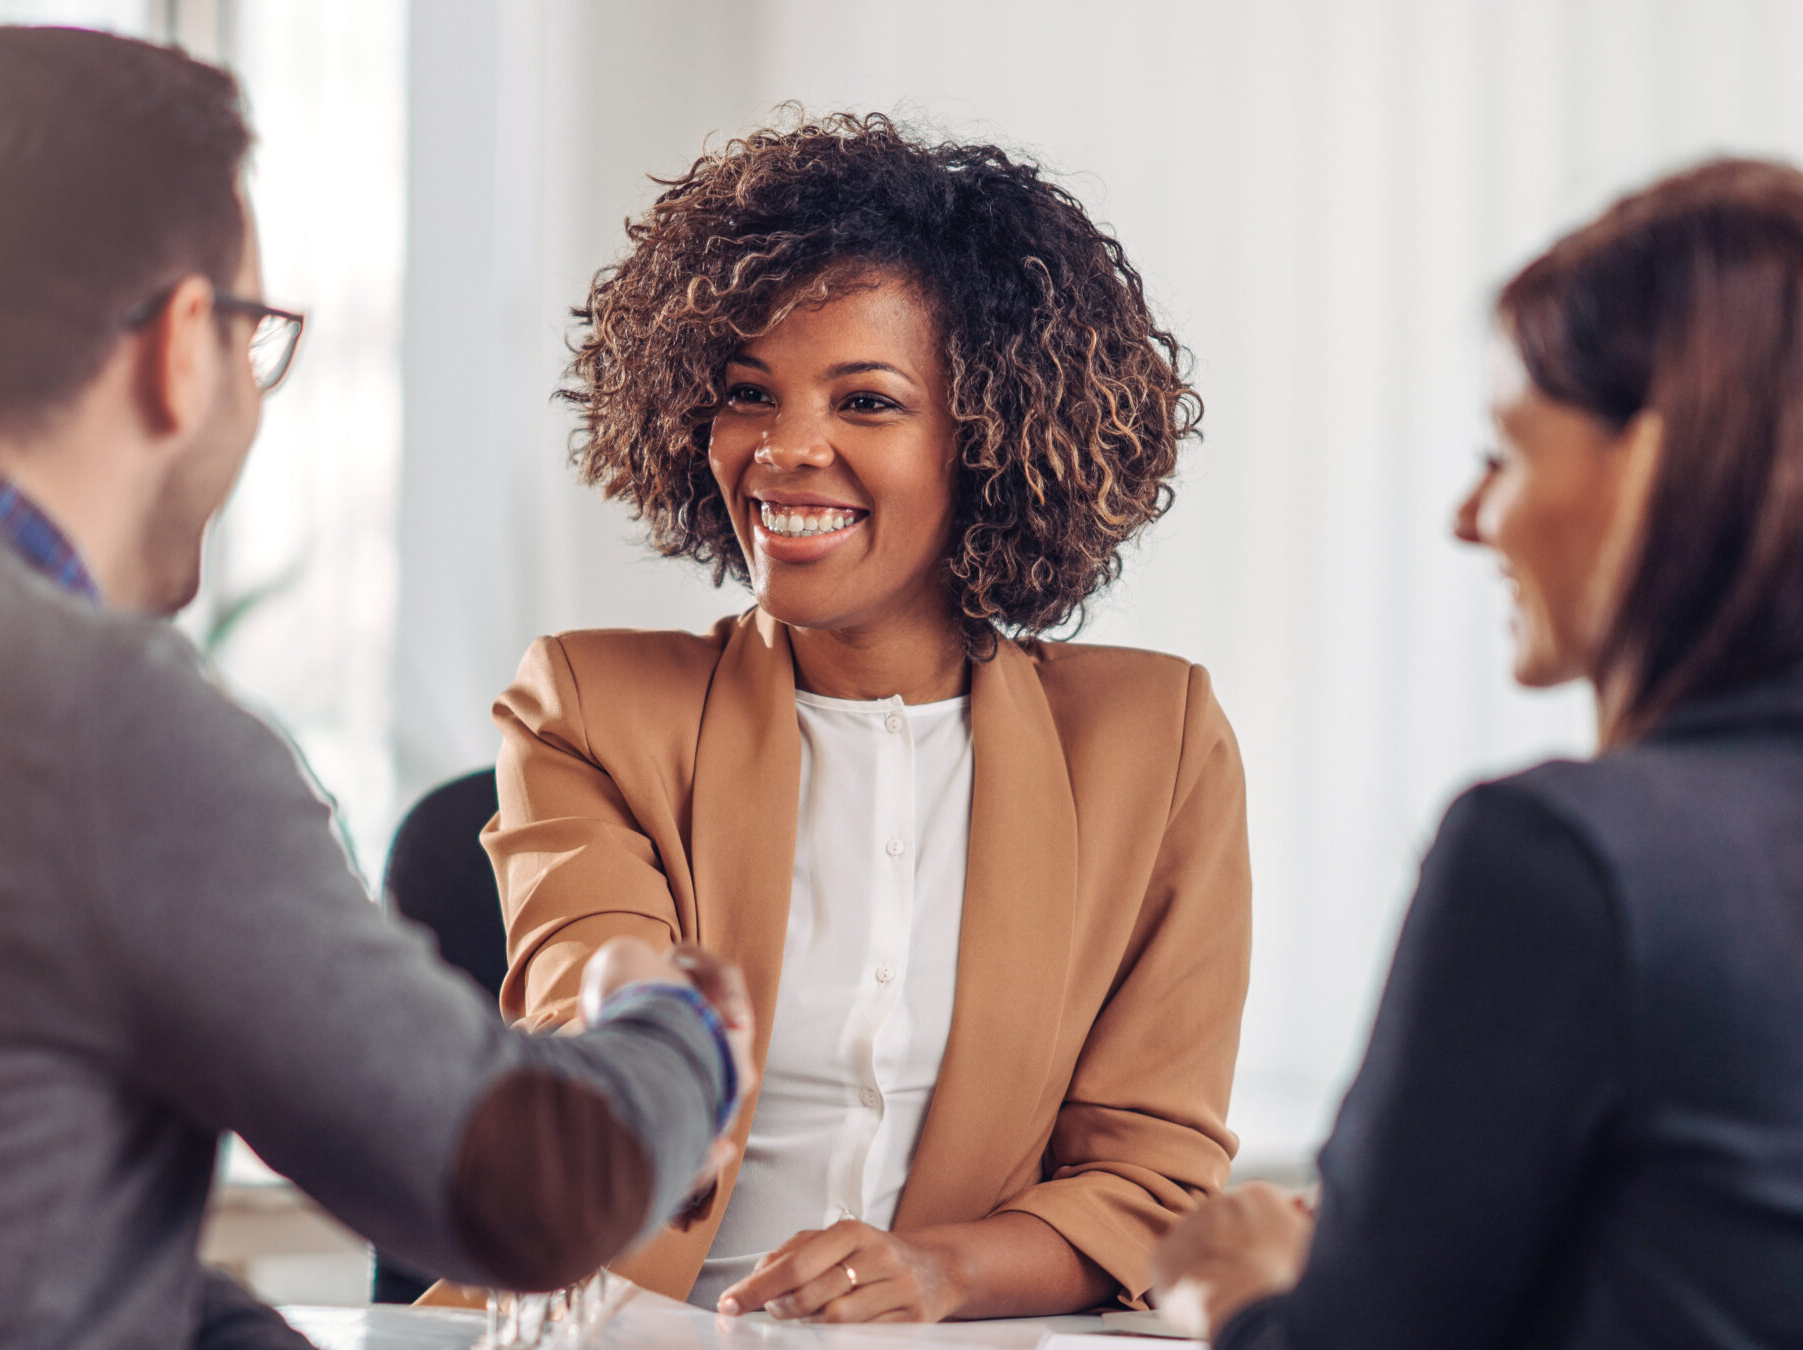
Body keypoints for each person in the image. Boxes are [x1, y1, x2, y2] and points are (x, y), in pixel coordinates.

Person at [0, 27, 751, 1350]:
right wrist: (673, 1025)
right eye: (256, 332)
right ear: (184, 346)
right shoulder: (94, 717)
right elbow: (527, 1186)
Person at [1150, 158, 1803, 1348]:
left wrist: (1238, 1291)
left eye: (1504, 451)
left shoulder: (1566, 858)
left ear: (1654, 465)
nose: (1470, 516)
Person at [439, 113, 1251, 1322]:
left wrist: (937, 1270)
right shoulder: (590, 707)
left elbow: (1153, 1177)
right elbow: (591, 1004)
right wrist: (634, 1002)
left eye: (865, 402)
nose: (783, 449)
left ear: (991, 439)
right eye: (747, 393)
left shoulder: (1154, 740)